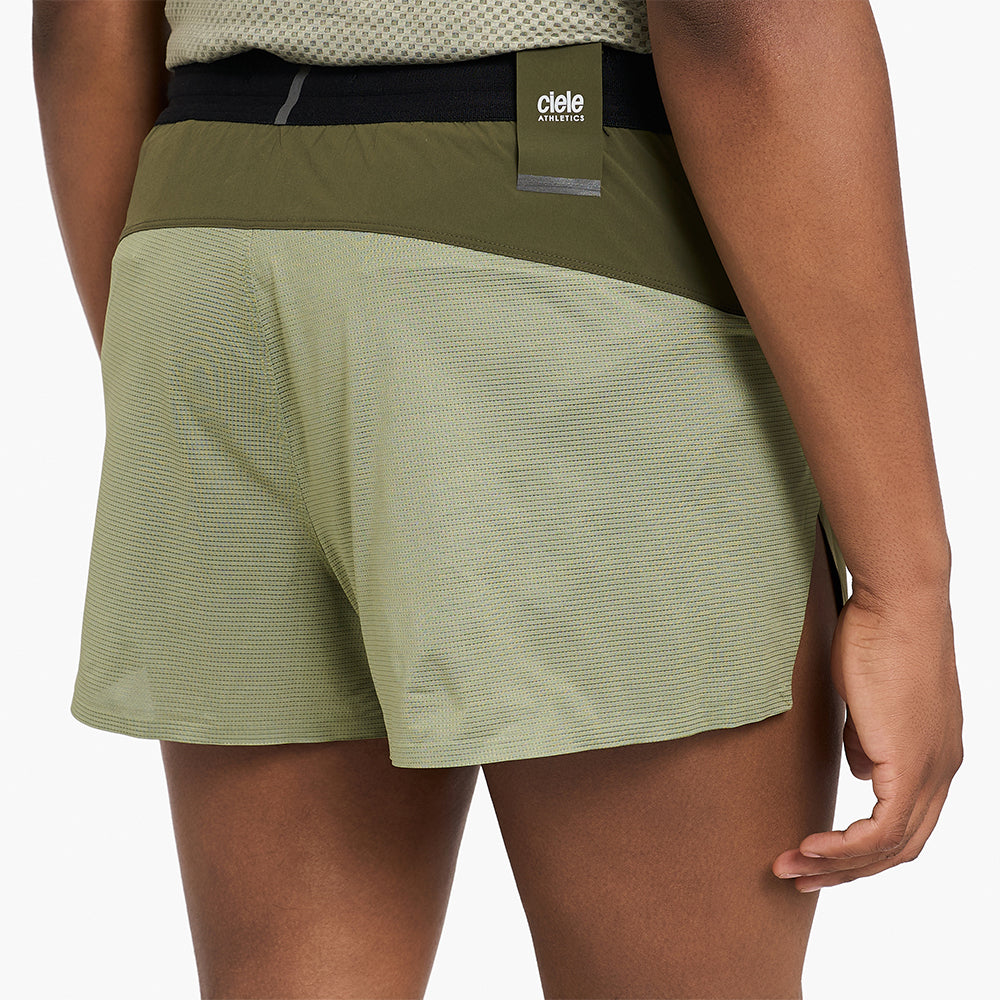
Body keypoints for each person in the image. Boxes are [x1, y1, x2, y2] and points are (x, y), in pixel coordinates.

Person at [33, 2, 963, 998]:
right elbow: (737, 18)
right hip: (549, 238)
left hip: (199, 237)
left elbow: (77, 23)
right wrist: (904, 582)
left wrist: (168, 349)